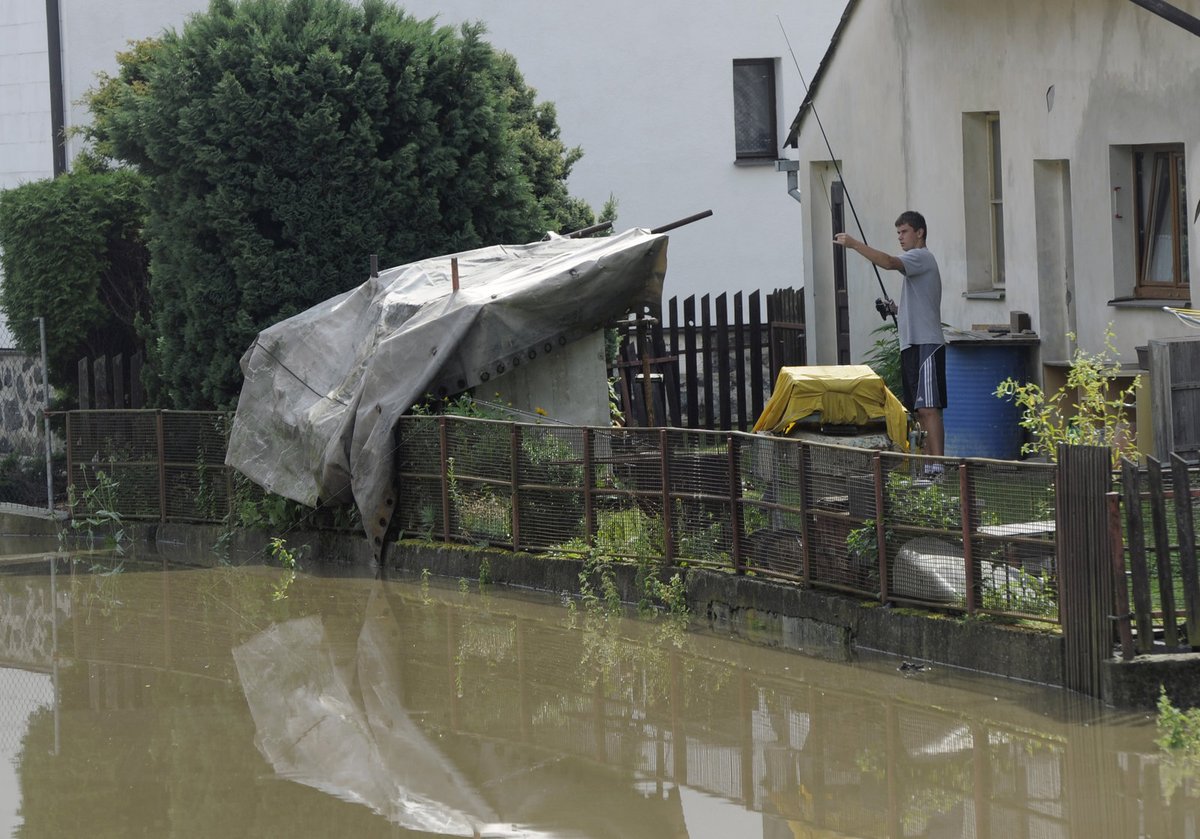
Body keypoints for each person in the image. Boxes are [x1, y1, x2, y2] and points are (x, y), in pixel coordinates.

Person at [833, 211, 945, 463]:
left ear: (920, 232)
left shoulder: (921, 257)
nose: (900, 238)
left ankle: (938, 467)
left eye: (904, 232)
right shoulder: (916, 263)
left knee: (929, 408)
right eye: (898, 233)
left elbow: (888, 262)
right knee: (919, 411)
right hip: (912, 344)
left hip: (927, 343)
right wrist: (896, 310)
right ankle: (929, 467)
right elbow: (919, 305)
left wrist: (854, 244)